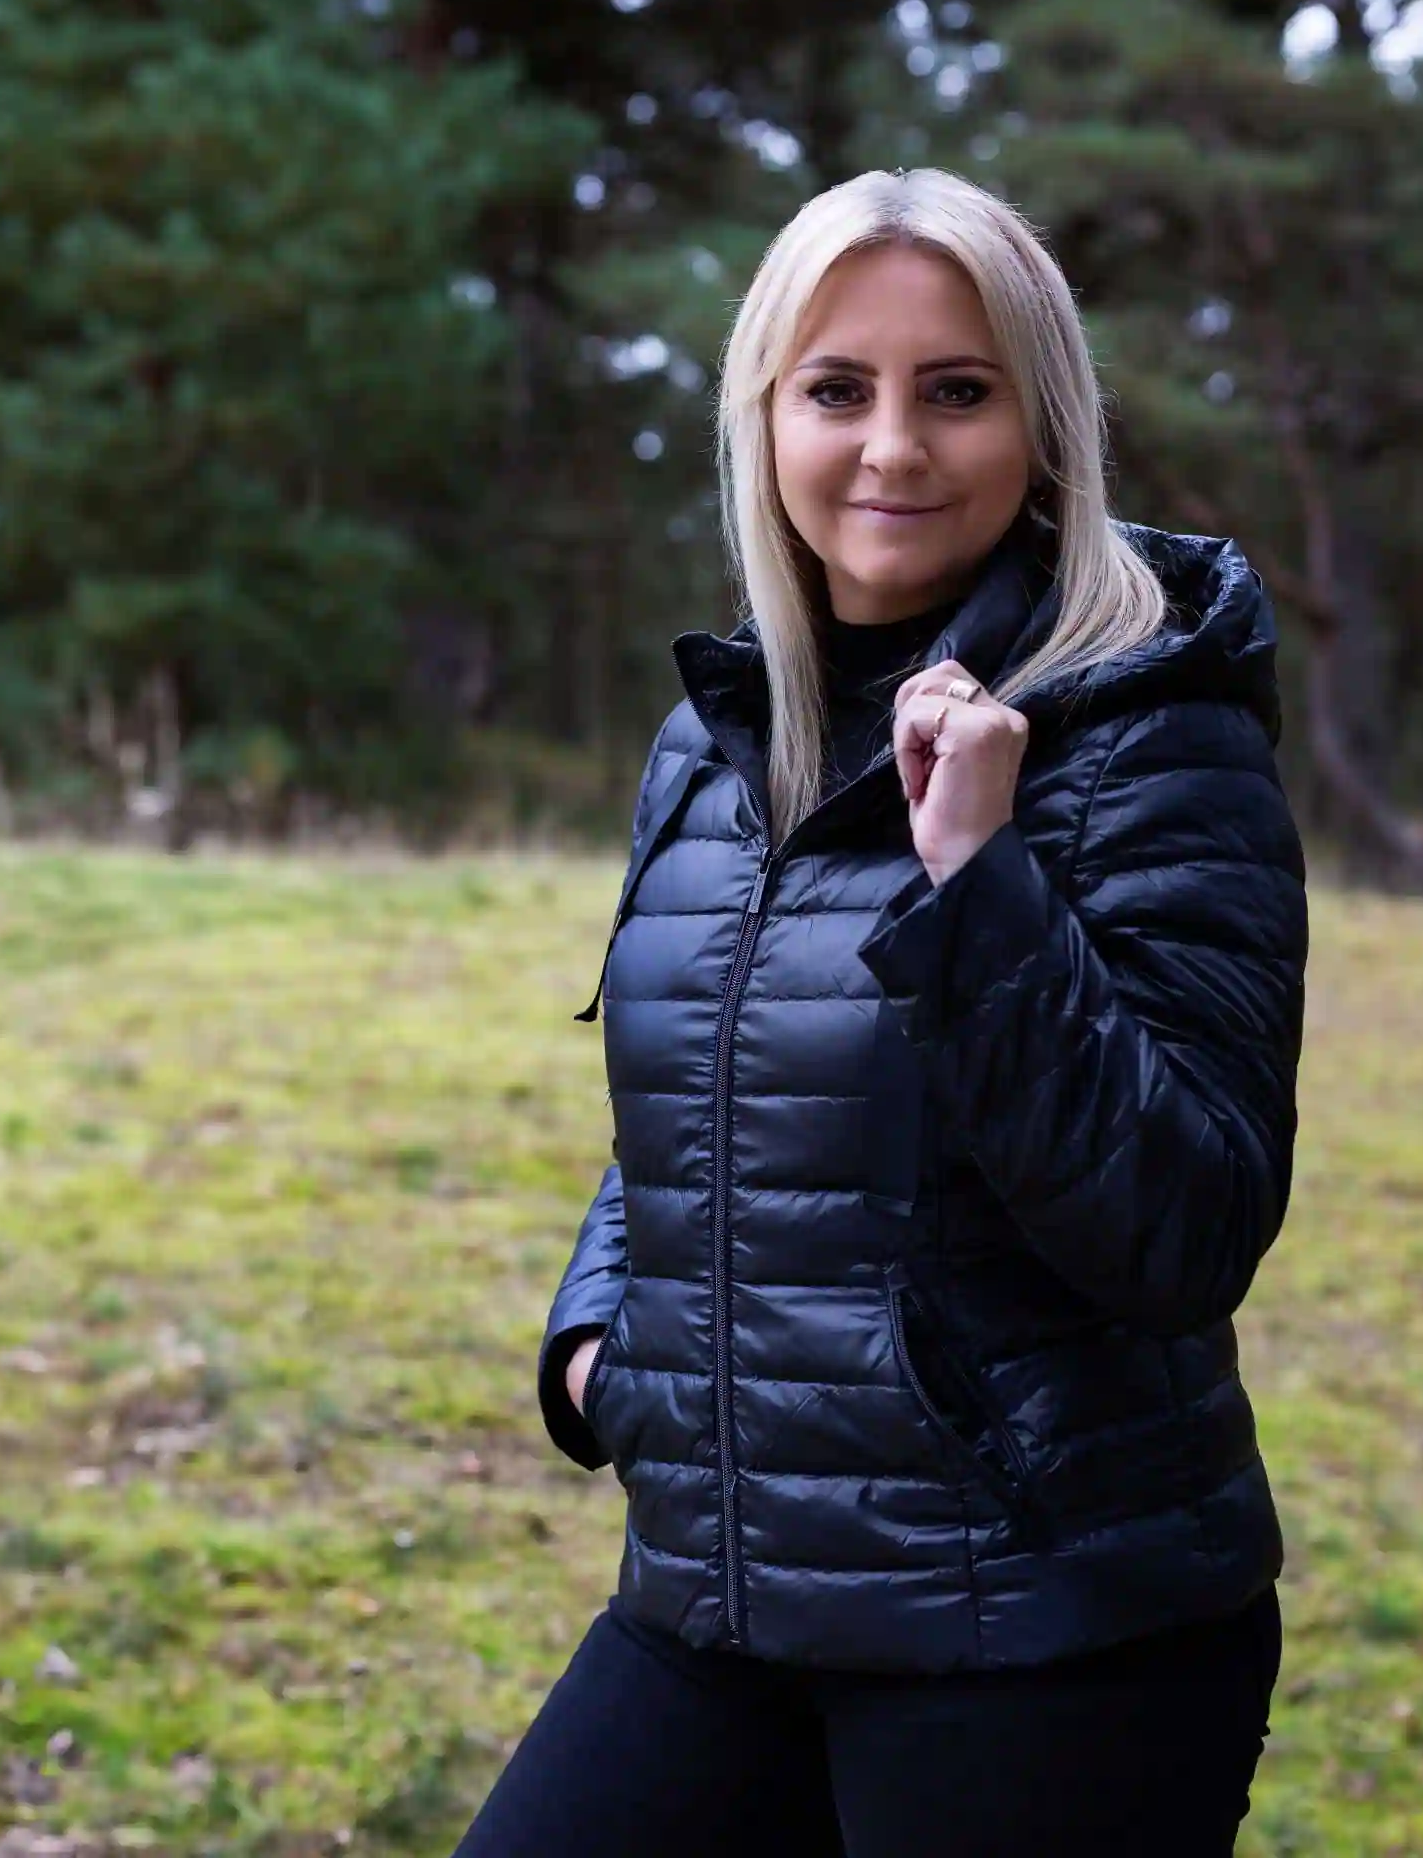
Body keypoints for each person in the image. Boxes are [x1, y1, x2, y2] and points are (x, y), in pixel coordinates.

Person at [453, 167, 1307, 1858]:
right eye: (837, 389)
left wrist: (978, 882)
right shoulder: (722, 737)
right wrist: (598, 1340)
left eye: (959, 391)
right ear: (764, 420)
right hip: (724, 1600)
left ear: (1045, 427)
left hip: (1044, 1631)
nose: (893, 449)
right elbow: (712, 1100)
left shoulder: (1154, 737)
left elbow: (1187, 1223)